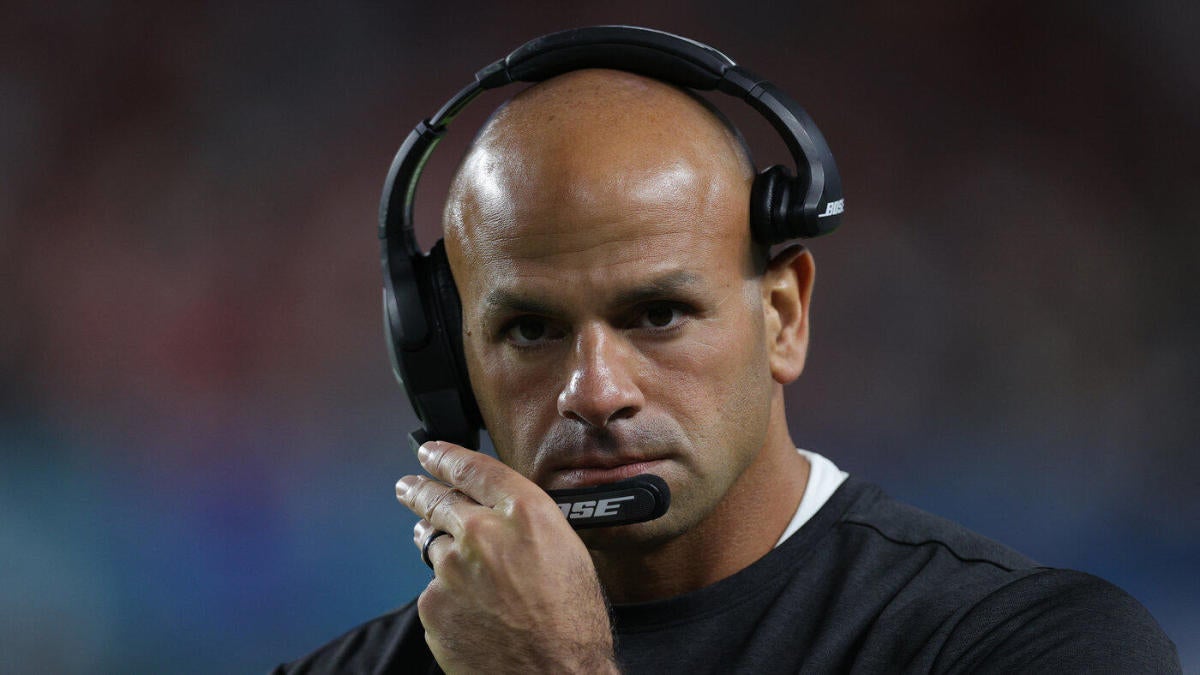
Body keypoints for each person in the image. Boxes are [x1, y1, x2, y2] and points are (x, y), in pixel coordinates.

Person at [277, 40, 1181, 675]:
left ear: (783, 315)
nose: (595, 392)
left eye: (658, 313)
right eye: (530, 331)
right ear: (444, 361)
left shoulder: (1039, 646)